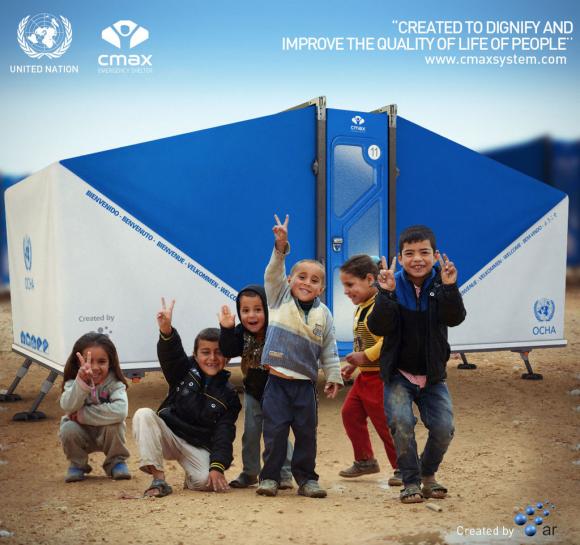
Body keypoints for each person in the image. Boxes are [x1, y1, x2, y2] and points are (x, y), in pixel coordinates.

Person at [367, 225, 466, 503]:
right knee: (401, 423)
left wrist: (450, 288)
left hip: (433, 376)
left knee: (444, 429)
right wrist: (386, 294)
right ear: (400, 258)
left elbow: (455, 318)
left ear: (435, 256)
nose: (417, 259)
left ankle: (427, 474)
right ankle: (410, 481)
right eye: (409, 253)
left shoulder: (442, 284)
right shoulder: (393, 285)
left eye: (424, 252)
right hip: (399, 374)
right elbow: (377, 326)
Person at [257, 214, 343, 498]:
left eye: (314, 280)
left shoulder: (324, 314)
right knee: (275, 433)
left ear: (321, 288)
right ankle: (270, 477)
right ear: (289, 280)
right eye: (301, 277)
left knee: (307, 435)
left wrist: (333, 376)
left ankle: (307, 479)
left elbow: (329, 348)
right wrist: (280, 246)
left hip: (305, 387)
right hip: (277, 384)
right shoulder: (279, 298)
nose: (307, 283)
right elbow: (272, 273)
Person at [132, 299, 241, 497]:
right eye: (205, 352)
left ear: (227, 357)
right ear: (195, 355)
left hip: (197, 445)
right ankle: (158, 480)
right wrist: (166, 331)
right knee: (143, 415)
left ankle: (191, 479)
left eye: (218, 353)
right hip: (169, 435)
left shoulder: (230, 395)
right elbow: (171, 355)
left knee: (206, 482)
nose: (212, 358)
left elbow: (224, 433)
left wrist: (217, 466)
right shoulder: (183, 370)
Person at [218, 285, 294, 489]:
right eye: (245, 310)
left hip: (277, 392)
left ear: (267, 310)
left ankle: (284, 473)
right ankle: (250, 472)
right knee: (251, 433)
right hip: (253, 391)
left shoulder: (275, 329)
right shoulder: (240, 332)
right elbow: (228, 349)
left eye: (258, 310)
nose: (251, 315)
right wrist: (226, 329)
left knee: (278, 433)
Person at [338, 254, 401, 487]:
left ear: (369, 279)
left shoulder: (380, 306)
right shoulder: (362, 306)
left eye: (350, 285)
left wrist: (365, 357)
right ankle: (365, 460)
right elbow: (364, 339)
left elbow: (390, 340)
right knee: (350, 413)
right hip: (365, 376)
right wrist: (355, 364)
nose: (346, 291)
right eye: (345, 286)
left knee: (385, 423)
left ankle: (403, 467)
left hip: (381, 377)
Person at [59, 332, 131, 483]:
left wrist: (81, 415)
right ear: (78, 363)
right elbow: (67, 406)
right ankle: (77, 464)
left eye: (102, 361)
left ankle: (116, 462)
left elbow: (120, 411)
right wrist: (81, 383)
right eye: (89, 361)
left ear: (110, 363)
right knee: (68, 428)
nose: (95, 367)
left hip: (107, 434)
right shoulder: (73, 382)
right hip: (81, 433)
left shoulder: (115, 384)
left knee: (115, 425)